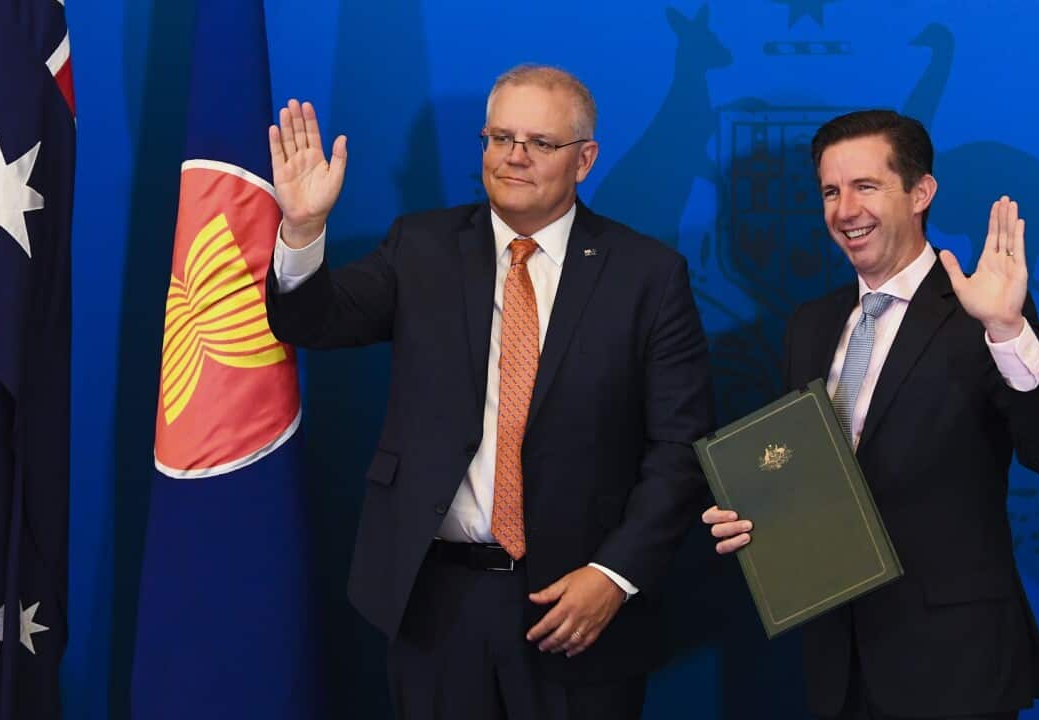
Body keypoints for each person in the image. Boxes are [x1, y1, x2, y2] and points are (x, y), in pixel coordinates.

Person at [264, 64, 714, 719]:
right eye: (500, 138)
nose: (515, 158)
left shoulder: (647, 275)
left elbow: (680, 446)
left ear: (584, 159)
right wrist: (302, 230)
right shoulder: (420, 247)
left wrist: (614, 576)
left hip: (577, 603)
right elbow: (313, 320)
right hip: (433, 599)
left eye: (540, 143)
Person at [703, 110, 1039, 720]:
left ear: (921, 192)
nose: (845, 209)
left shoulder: (980, 308)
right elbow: (810, 478)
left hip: (954, 665)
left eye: (865, 186)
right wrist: (755, 517)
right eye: (831, 191)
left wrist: (1006, 328)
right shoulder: (809, 325)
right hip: (837, 658)